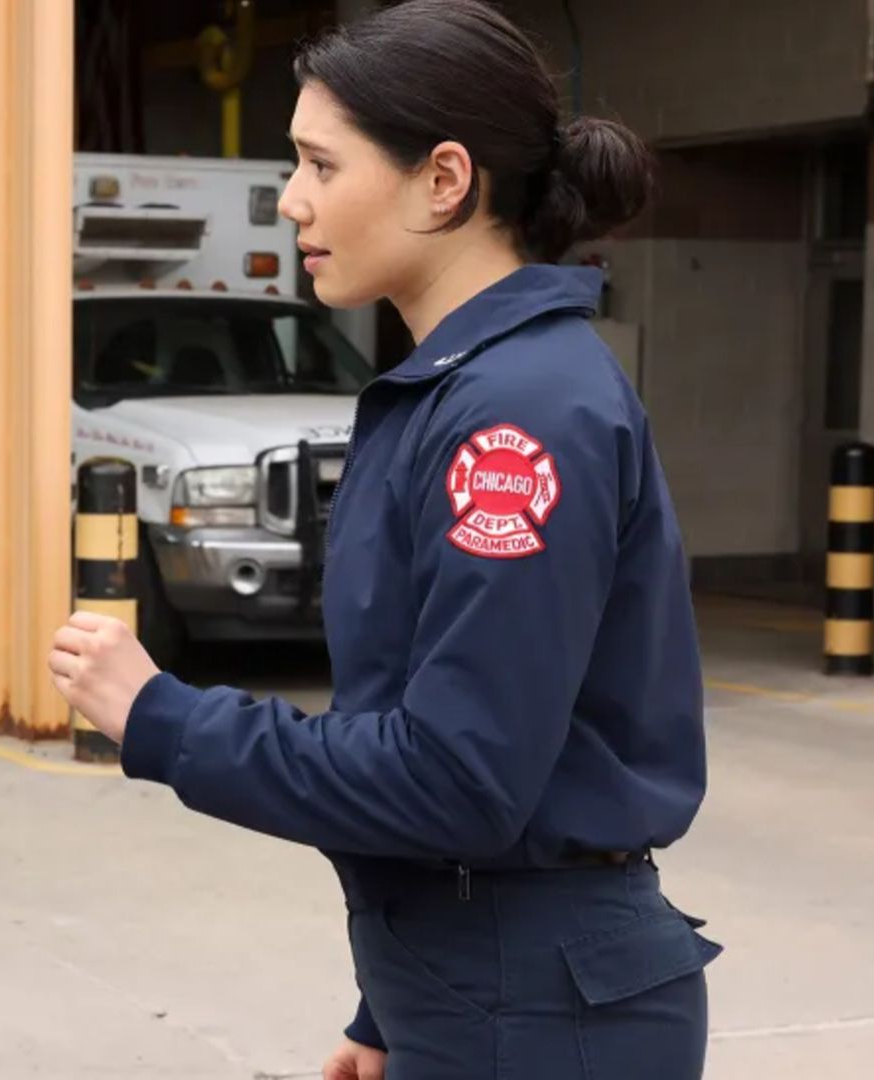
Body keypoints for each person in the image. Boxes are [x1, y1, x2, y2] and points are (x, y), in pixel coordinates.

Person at [49, 3, 719, 1078]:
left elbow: (459, 776)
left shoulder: (518, 414)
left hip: (539, 1010)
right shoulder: (455, 389)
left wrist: (165, 720)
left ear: (444, 181)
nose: (291, 199)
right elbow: (439, 726)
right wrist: (391, 1007)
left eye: (321, 163)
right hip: (479, 986)